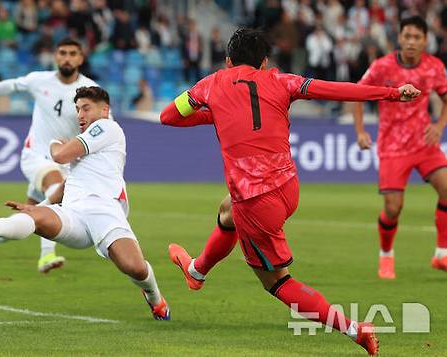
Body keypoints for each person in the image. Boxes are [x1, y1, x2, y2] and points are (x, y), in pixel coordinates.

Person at [160, 28, 421, 355]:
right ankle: (196, 271)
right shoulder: (282, 80)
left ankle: (355, 330)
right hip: (288, 189)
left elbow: (168, 116)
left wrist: (213, 113)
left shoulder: (210, 84)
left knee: (278, 283)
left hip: (256, 202)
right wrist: (392, 93)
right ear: (265, 61)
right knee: (228, 211)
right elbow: (334, 90)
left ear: (227, 61)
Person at [0, 86, 170, 320]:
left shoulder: (108, 127)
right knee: (37, 218)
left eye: (86, 108)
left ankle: (155, 299)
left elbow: (59, 156)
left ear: (105, 109)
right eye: (77, 109)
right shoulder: (84, 144)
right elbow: (67, 186)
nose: (80, 115)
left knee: (135, 268)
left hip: (105, 212)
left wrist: (55, 142)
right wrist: (41, 205)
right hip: (73, 213)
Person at [0, 38, 100, 273]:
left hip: (65, 163)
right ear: (56, 56)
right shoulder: (39, 80)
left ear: (81, 58)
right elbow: (10, 85)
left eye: (73, 53)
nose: (67, 58)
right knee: (57, 194)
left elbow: (103, 123)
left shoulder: (91, 90)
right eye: (62, 53)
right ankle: (46, 256)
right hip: (36, 157)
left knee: (30, 216)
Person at [352, 16, 447, 279]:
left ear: (426, 40)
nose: (411, 42)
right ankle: (386, 256)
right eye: (407, 36)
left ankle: (441, 254)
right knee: (393, 207)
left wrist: (439, 126)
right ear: (399, 38)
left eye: (417, 37)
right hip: (392, 146)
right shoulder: (382, 67)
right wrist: (360, 131)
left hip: (424, 143)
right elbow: (356, 95)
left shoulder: (434, 67)